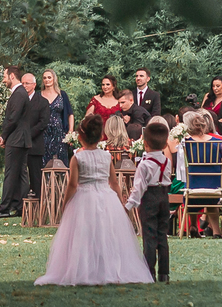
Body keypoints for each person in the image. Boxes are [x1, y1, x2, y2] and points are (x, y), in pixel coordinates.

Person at [34, 115, 153, 286]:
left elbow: (73, 185)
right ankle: (106, 268)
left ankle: (86, 269)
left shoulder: (78, 158)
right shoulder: (106, 157)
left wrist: (65, 203)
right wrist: (120, 203)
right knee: (106, 234)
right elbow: (113, 182)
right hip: (106, 197)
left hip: (84, 197)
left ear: (80, 137)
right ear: (100, 137)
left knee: (84, 235)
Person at [126, 122, 173, 282]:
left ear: (145, 144)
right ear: (166, 144)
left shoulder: (144, 165)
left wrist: (129, 205)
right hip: (164, 197)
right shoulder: (167, 162)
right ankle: (164, 273)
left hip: (149, 198)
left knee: (149, 236)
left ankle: (149, 272)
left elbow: (138, 187)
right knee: (162, 235)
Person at [177, 110, 222, 237]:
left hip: (194, 186)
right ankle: (216, 231)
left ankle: (193, 226)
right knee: (211, 201)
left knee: (192, 190)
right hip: (214, 187)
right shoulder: (218, 141)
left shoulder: (185, 142)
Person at [0, 66, 31, 218]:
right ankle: (20, 207)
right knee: (20, 174)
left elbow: (13, 118)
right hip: (20, 139)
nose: (3, 79)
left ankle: (4, 209)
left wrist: (4, 135)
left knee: (10, 173)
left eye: (4, 76)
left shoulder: (19, 94)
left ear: (12, 76)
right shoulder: (21, 93)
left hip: (16, 139)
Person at [24, 73, 51, 199]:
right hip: (19, 144)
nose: (24, 86)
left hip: (35, 144)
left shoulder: (42, 102)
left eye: (27, 83)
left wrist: (27, 135)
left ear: (34, 85)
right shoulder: (18, 99)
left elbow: (43, 123)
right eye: (22, 83)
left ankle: (39, 203)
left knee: (36, 176)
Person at [40, 70, 74, 166]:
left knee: (61, 161)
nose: (47, 80)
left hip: (59, 133)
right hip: (43, 134)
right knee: (44, 162)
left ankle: (62, 181)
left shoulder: (61, 95)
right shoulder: (38, 95)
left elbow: (70, 114)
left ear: (54, 79)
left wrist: (70, 131)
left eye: (49, 77)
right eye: (45, 78)